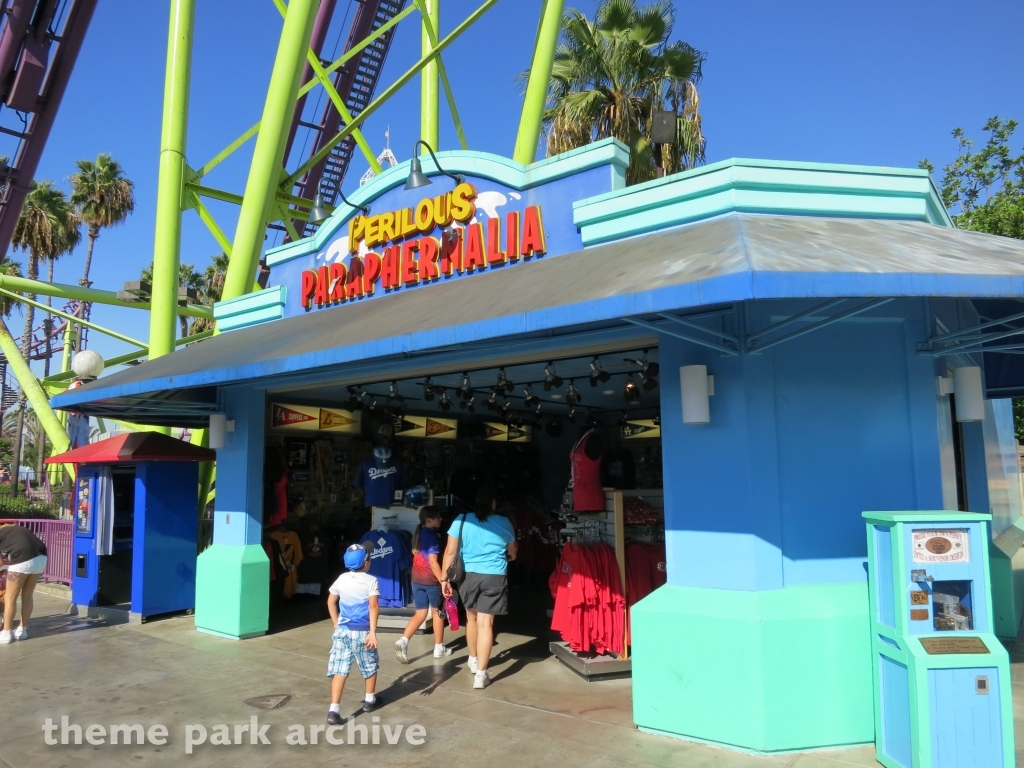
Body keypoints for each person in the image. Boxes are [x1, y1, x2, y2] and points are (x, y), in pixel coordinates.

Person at [441, 486, 517, 689]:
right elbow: (513, 550)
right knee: (486, 625)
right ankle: (481, 675)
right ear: (493, 503)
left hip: (468, 577)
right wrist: (510, 556)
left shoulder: (461, 520)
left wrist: (444, 579)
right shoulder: (504, 522)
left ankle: (473, 660)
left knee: (471, 619)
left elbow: (450, 552)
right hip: (494, 576)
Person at [326, 544, 382, 724]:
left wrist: (336, 622)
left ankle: (333, 710)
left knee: (340, 670)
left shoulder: (341, 579)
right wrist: (372, 632)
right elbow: (373, 607)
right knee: (369, 664)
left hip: (343, 631)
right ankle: (369, 700)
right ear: (366, 563)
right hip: (363, 631)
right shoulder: (371, 580)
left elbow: (331, 601)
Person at [395, 506, 451, 663]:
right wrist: (443, 581)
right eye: (437, 517)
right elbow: (433, 562)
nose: (440, 519)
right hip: (431, 580)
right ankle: (439, 648)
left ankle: (403, 641)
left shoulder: (418, 534)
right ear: (429, 520)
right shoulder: (432, 537)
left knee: (420, 613)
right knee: (438, 613)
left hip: (416, 579)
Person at [0, 523, 47, 644]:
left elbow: (0, 563)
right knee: (27, 596)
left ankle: (6, 633)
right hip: (41, 557)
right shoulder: (16, 530)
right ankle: (22, 631)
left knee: (10, 597)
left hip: (22, 558)